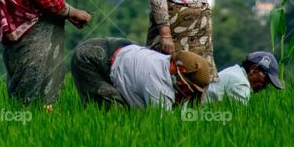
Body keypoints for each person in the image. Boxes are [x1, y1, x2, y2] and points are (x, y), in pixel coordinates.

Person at [70, 38, 210, 110]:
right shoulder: (158, 85)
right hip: (91, 58)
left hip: (120, 48)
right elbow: (160, 127)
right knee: (115, 114)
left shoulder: (167, 64)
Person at [206, 51, 284, 104]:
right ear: (253, 70)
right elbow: (239, 118)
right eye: (266, 80)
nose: (265, 86)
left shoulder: (233, 72)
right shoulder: (240, 82)